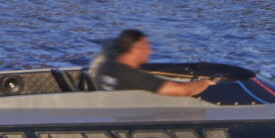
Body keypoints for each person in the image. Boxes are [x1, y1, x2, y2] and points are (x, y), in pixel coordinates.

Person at [87, 30, 216, 97]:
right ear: (135, 49)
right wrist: (204, 83)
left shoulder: (104, 67)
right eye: (146, 47)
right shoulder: (130, 75)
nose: (150, 50)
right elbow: (182, 91)